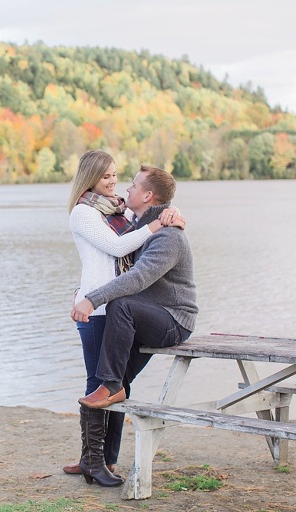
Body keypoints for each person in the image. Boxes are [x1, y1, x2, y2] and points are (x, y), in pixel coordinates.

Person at [65, 152, 185, 487]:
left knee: (114, 383)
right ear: (90, 178)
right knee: (99, 383)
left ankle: (103, 460)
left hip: (117, 307)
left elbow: (154, 205)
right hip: (97, 307)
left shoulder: (117, 209)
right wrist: (157, 224)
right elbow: (119, 248)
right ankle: (93, 461)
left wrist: (170, 213)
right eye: (105, 177)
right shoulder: (84, 212)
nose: (113, 182)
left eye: (116, 176)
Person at [71, 164, 198, 414]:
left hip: (174, 320)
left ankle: (111, 386)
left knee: (121, 304)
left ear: (147, 196)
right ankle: (102, 452)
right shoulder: (137, 225)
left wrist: (92, 300)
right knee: (113, 384)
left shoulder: (168, 236)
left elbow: (138, 278)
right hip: (148, 314)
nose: (126, 188)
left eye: (133, 185)